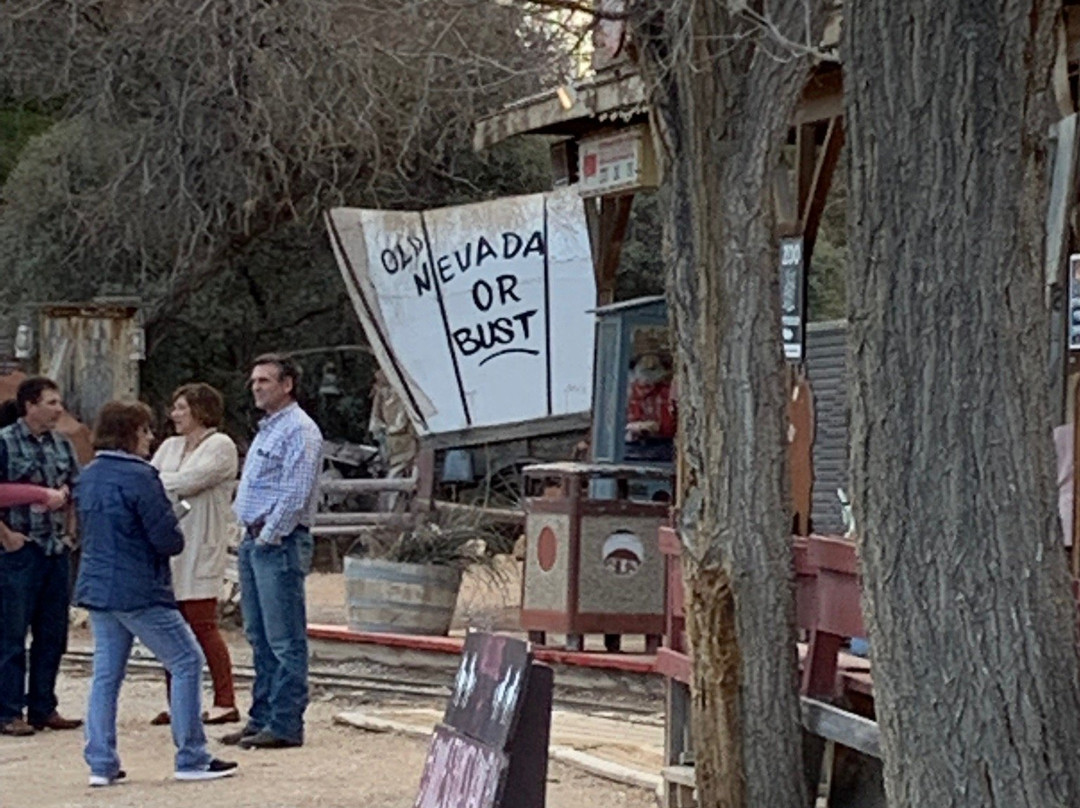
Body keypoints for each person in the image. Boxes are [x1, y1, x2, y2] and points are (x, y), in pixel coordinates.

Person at [74, 401, 237, 786]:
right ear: (131, 433)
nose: (151, 438)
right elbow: (165, 539)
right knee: (186, 660)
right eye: (145, 431)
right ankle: (191, 755)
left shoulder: (90, 474)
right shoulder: (142, 477)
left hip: (98, 583)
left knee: (106, 673)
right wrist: (175, 518)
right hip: (138, 586)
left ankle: (101, 761)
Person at [225, 353, 323, 750]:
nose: (257, 387)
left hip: (277, 541)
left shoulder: (300, 430)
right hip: (256, 539)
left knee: (283, 637)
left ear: (287, 385)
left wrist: (270, 535)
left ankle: (284, 722)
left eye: (265, 380)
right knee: (259, 635)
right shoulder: (270, 430)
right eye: (254, 381)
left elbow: (295, 491)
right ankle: (262, 716)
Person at [149, 383, 240, 726]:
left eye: (182, 408)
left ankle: (225, 699)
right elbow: (153, 478)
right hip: (170, 545)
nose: (175, 415)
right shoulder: (170, 446)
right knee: (172, 627)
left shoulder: (221, 446)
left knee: (203, 624)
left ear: (200, 410)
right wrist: (163, 480)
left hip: (202, 543)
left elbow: (188, 481)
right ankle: (178, 703)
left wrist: (162, 480)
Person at [0, 377, 82, 737]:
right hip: (20, 549)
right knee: (11, 634)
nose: (58, 408)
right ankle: (7, 710)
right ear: (30, 405)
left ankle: (43, 706)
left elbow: (75, 488)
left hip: (53, 548)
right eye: (50, 402)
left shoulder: (61, 446)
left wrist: (71, 531)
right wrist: (5, 537)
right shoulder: (4, 443)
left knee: (53, 633)